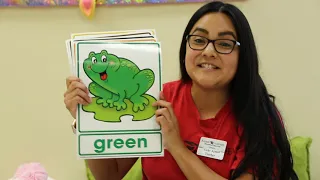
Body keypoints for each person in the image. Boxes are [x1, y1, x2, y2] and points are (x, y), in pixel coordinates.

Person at [63, 1, 298, 180]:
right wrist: (86, 121)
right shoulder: (160, 98)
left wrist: (176, 147)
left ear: (243, 55)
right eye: (199, 40)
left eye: (224, 44)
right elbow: (110, 175)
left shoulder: (258, 115)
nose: (208, 51)